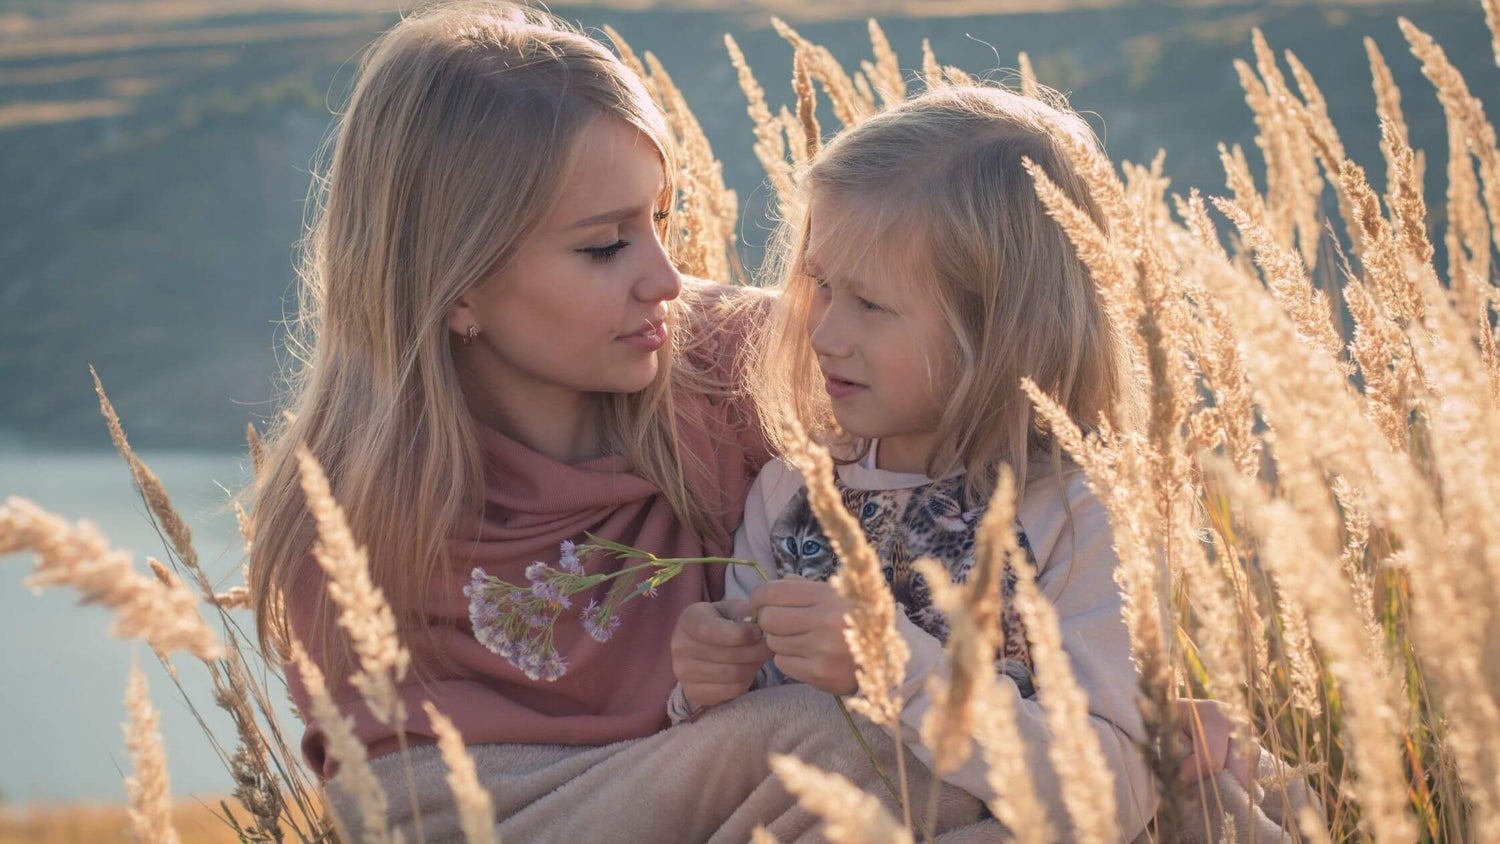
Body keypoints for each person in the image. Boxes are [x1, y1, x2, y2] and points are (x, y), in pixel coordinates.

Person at [669, 85, 1159, 839]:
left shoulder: (1076, 516)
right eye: (821, 286)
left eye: (870, 304)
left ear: (999, 329)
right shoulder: (792, 493)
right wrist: (703, 687)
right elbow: (756, 749)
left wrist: (892, 663)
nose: (825, 333)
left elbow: (1112, 796)